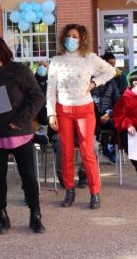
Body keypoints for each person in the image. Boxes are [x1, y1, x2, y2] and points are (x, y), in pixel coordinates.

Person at [0, 37, 45, 234]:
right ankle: (2, 215)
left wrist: (21, 120)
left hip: (20, 132)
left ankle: (35, 214)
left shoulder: (20, 71)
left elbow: (37, 97)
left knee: (28, 175)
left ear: (2, 53)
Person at [47, 24, 115, 209]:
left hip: (85, 110)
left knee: (88, 152)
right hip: (63, 110)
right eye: (68, 36)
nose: (71, 39)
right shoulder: (56, 61)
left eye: (75, 36)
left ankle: (95, 193)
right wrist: (51, 113)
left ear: (82, 38)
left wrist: (94, 83)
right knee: (66, 153)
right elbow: (51, 89)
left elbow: (110, 71)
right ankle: (69, 190)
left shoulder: (90, 58)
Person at [34, 61, 87, 188]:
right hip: (59, 132)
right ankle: (63, 176)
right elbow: (43, 117)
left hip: (79, 131)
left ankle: (83, 174)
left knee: (93, 145)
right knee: (62, 144)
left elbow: (92, 114)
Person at [92, 54, 122, 164]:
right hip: (91, 116)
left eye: (114, 64)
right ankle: (93, 155)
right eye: (110, 64)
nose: (112, 67)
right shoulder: (90, 80)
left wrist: (110, 114)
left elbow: (118, 102)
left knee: (118, 124)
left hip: (108, 115)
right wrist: (95, 116)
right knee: (93, 128)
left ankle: (109, 150)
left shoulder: (112, 82)